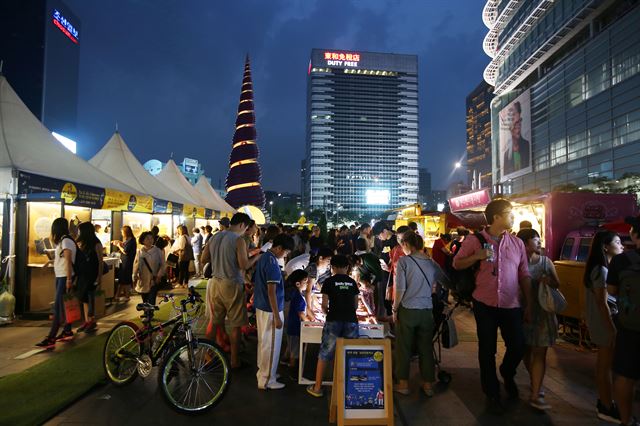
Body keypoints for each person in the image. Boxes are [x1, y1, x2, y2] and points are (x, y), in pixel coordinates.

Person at [453, 199, 531, 415]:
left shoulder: (517, 243)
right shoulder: (474, 240)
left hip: (511, 304)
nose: (513, 216)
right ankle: (491, 391)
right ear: (496, 216)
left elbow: (524, 274)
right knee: (487, 349)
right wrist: (477, 256)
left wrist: (529, 304)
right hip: (484, 303)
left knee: (518, 345)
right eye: (510, 213)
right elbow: (457, 263)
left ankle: (507, 371)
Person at [393, 230, 450, 396]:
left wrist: (395, 309)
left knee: (403, 347)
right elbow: (446, 282)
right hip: (426, 311)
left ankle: (403, 384)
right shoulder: (432, 263)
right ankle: (428, 385)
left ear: (407, 244)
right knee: (425, 347)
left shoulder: (404, 262)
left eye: (402, 245)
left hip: (408, 310)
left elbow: (401, 289)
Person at [207, 212, 261, 370]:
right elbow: (244, 265)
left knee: (215, 321)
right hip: (232, 284)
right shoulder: (238, 240)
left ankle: (207, 355)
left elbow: (204, 259)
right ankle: (234, 361)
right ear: (243, 225)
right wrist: (256, 257)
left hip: (215, 282)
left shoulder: (215, 237)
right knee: (235, 325)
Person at [517, 228, 561, 411]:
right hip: (521, 312)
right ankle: (536, 382)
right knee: (525, 352)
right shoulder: (516, 263)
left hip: (542, 313)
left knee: (540, 352)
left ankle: (536, 392)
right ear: (525, 243)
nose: (539, 242)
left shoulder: (546, 262)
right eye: (535, 240)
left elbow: (557, 284)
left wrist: (548, 281)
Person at [584, 231, 624, 423]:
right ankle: (607, 406)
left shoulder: (599, 268)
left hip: (600, 320)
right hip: (604, 321)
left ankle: (606, 402)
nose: (622, 245)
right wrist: (611, 328)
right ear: (605, 247)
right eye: (617, 242)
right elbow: (602, 302)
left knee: (604, 365)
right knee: (604, 366)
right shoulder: (601, 269)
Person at [307, 255, 360, 397]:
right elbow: (355, 305)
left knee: (325, 354)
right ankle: (350, 390)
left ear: (333, 268)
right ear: (347, 268)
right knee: (351, 354)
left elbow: (324, 306)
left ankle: (317, 388)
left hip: (333, 320)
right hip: (351, 321)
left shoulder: (329, 282)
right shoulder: (352, 282)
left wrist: (326, 312)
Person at [607, 216, 640, 426]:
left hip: (630, 327)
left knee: (624, 377)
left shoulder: (621, 260)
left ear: (634, 235)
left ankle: (626, 421)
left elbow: (611, 291)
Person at [253, 234, 295, 390]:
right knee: (271, 345)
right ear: (278, 248)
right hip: (271, 309)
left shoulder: (265, 257)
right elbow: (272, 292)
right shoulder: (272, 263)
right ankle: (267, 380)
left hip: (262, 306)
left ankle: (265, 372)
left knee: (264, 343)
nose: (285, 255)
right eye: (285, 252)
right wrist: (277, 316)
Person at [36, 218, 77, 347]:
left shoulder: (66, 241)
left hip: (64, 277)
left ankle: (51, 337)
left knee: (59, 307)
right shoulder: (64, 241)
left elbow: (68, 261)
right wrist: (49, 262)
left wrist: (69, 279)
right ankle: (67, 330)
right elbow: (62, 259)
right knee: (64, 306)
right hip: (62, 276)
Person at [75, 222, 103, 334]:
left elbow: (100, 262)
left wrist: (99, 277)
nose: (79, 233)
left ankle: (91, 321)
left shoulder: (96, 243)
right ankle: (87, 321)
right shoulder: (82, 243)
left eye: (80, 231)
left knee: (90, 297)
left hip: (92, 274)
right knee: (84, 298)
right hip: (83, 274)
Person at [285, 269, 313, 368]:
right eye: (305, 281)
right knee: (295, 350)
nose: (307, 283)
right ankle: (292, 368)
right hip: (295, 327)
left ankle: (285, 359)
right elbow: (301, 313)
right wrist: (309, 322)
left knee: (291, 345)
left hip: (291, 326)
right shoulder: (298, 297)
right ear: (298, 283)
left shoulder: (297, 294)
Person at [133, 231, 166, 306]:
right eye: (147, 238)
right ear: (143, 240)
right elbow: (136, 264)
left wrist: (159, 275)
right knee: (144, 298)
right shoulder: (140, 252)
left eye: (151, 238)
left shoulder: (158, 251)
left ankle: (149, 314)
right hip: (142, 278)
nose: (150, 240)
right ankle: (146, 312)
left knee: (151, 298)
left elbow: (163, 264)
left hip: (153, 279)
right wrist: (134, 275)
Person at [503, 101, 531, 175]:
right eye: (515, 125)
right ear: (509, 127)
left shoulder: (526, 145)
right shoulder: (506, 155)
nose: (518, 128)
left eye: (519, 122)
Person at [114, 226, 136, 302]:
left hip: (127, 261)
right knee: (123, 278)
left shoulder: (131, 240)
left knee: (125, 278)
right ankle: (121, 295)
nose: (122, 233)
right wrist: (120, 243)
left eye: (122, 232)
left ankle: (126, 295)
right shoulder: (130, 240)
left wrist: (118, 245)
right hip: (125, 261)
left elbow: (125, 251)